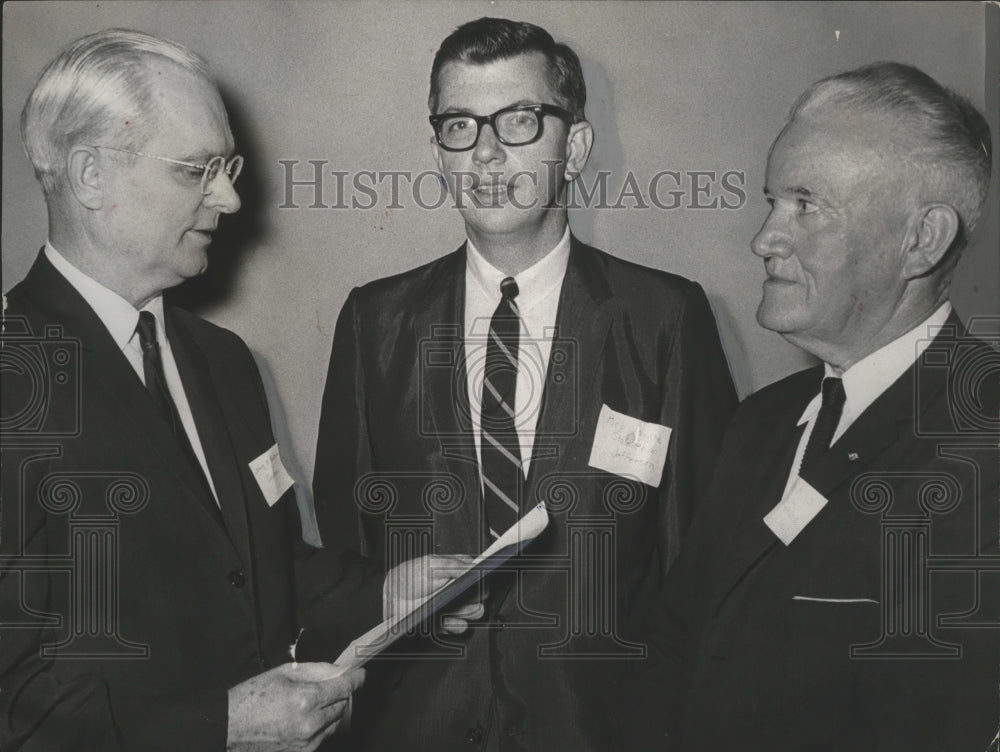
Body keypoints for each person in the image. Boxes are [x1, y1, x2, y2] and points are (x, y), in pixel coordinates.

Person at [0, 29, 478, 752]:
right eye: (196, 170)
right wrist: (220, 727)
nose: (228, 196)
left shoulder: (221, 360)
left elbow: (263, 563)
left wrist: (386, 594)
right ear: (90, 176)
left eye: (228, 165)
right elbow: (14, 699)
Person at [312, 17, 738, 751]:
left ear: (573, 147)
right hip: (414, 729)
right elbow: (348, 540)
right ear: (437, 148)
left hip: (599, 729)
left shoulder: (664, 318)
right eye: (459, 125)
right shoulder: (373, 321)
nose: (485, 153)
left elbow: (698, 560)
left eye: (518, 121)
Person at [631, 61, 999, 750]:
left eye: (806, 204)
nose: (764, 239)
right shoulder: (761, 421)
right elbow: (676, 648)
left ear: (922, 239)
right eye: (773, 201)